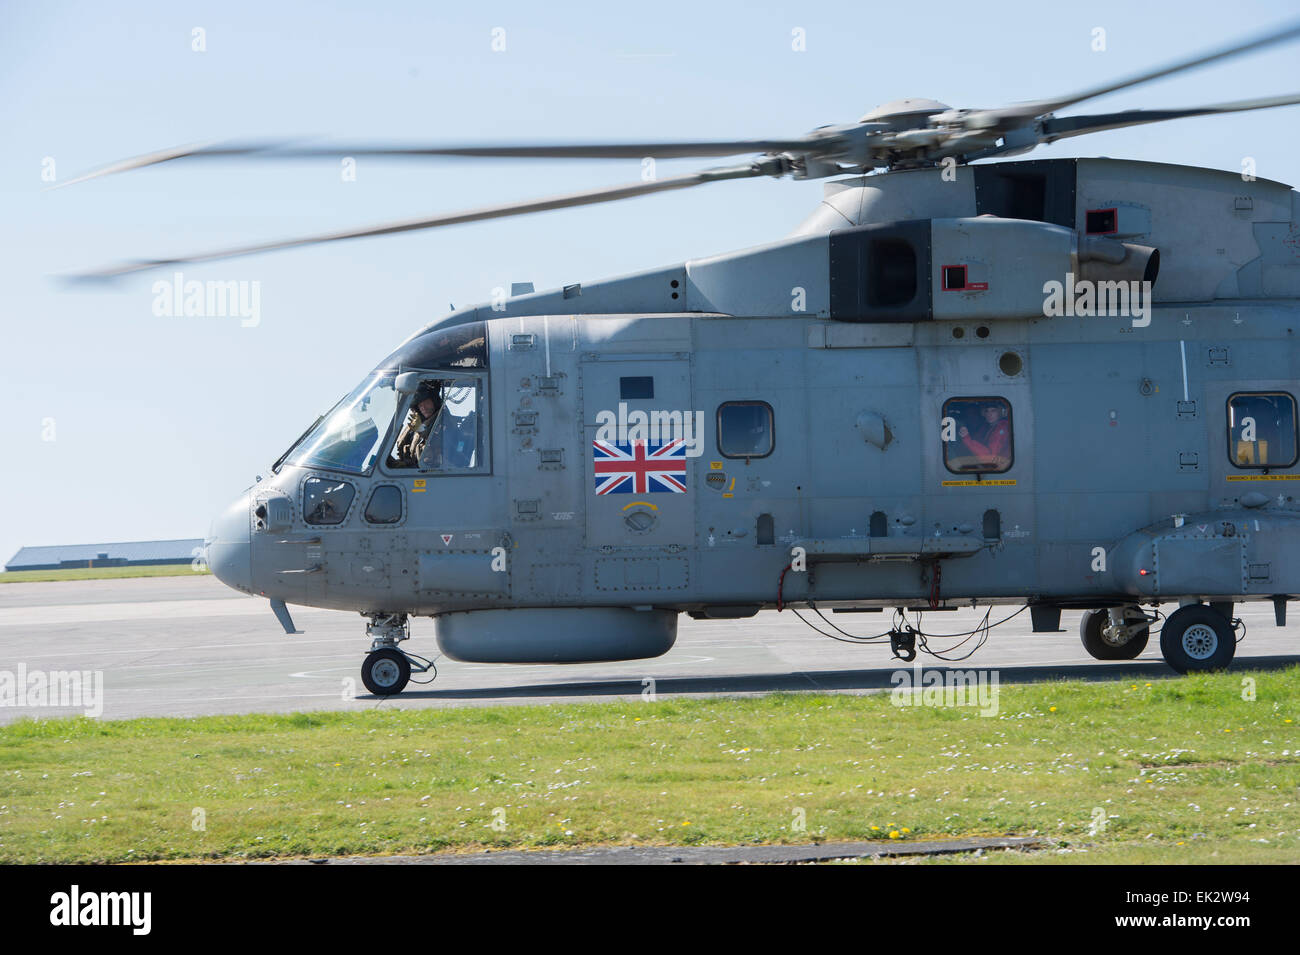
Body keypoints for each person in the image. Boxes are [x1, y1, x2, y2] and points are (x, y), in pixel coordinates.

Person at [390, 385, 441, 468]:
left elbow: (439, 446)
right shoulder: (415, 426)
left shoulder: (444, 423)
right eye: (420, 405)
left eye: (427, 403)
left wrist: (421, 430)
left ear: (435, 402)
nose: (423, 408)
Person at [958, 402, 1011, 470]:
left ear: (1001, 412)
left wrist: (966, 438)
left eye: (993, 411)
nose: (989, 414)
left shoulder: (1002, 428)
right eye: (987, 411)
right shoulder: (989, 426)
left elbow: (990, 457)